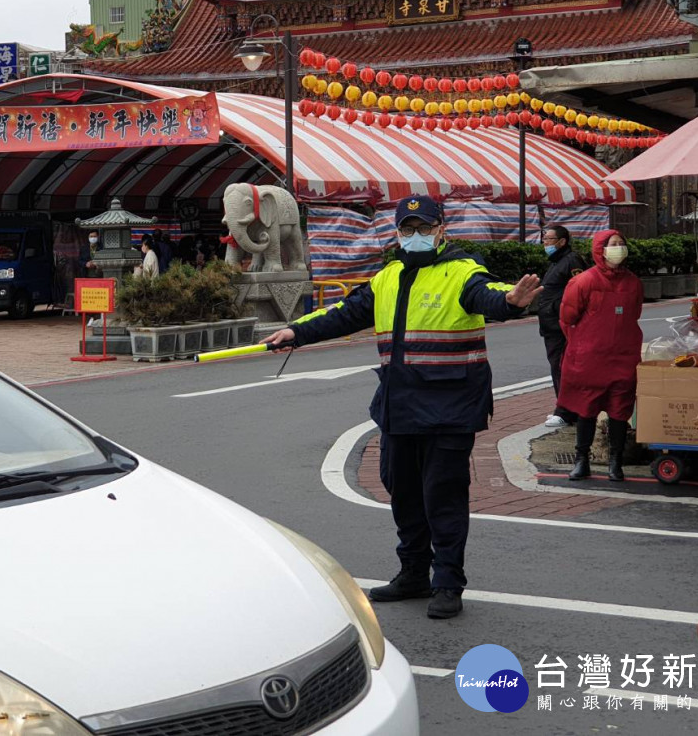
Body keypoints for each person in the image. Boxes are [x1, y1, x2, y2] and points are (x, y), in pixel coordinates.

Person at [262, 195, 542, 620]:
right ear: (396, 234)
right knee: (402, 492)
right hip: (399, 406)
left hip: (450, 407)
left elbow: (489, 295)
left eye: (424, 228)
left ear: (441, 229)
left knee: (442, 497)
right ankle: (413, 573)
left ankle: (447, 582)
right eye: (407, 229)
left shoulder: (462, 272)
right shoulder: (387, 277)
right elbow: (343, 313)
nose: (415, 236)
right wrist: (294, 332)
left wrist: (511, 302)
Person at [559, 230, 643, 483]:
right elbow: (567, 319)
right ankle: (582, 459)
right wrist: (582, 345)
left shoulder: (633, 283)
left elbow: (634, 314)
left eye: (621, 244)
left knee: (620, 411)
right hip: (590, 358)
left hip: (624, 355)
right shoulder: (583, 282)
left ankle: (615, 462)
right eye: (613, 244)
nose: (618, 248)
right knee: (587, 408)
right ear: (600, 250)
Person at [538, 225, 585, 428]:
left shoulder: (571, 261)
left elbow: (581, 291)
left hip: (563, 326)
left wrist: (562, 312)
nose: (545, 243)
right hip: (551, 325)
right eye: (544, 239)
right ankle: (565, 408)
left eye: (548, 239)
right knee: (557, 366)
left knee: (562, 367)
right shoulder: (556, 262)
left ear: (562, 241)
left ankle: (565, 412)